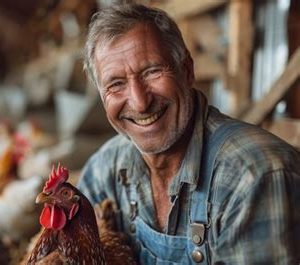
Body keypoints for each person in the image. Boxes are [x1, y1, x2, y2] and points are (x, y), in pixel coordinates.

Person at [77, 3, 300, 264]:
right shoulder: (106, 170)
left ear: (187, 70)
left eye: (151, 71)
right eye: (116, 84)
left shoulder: (253, 177)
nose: (139, 102)